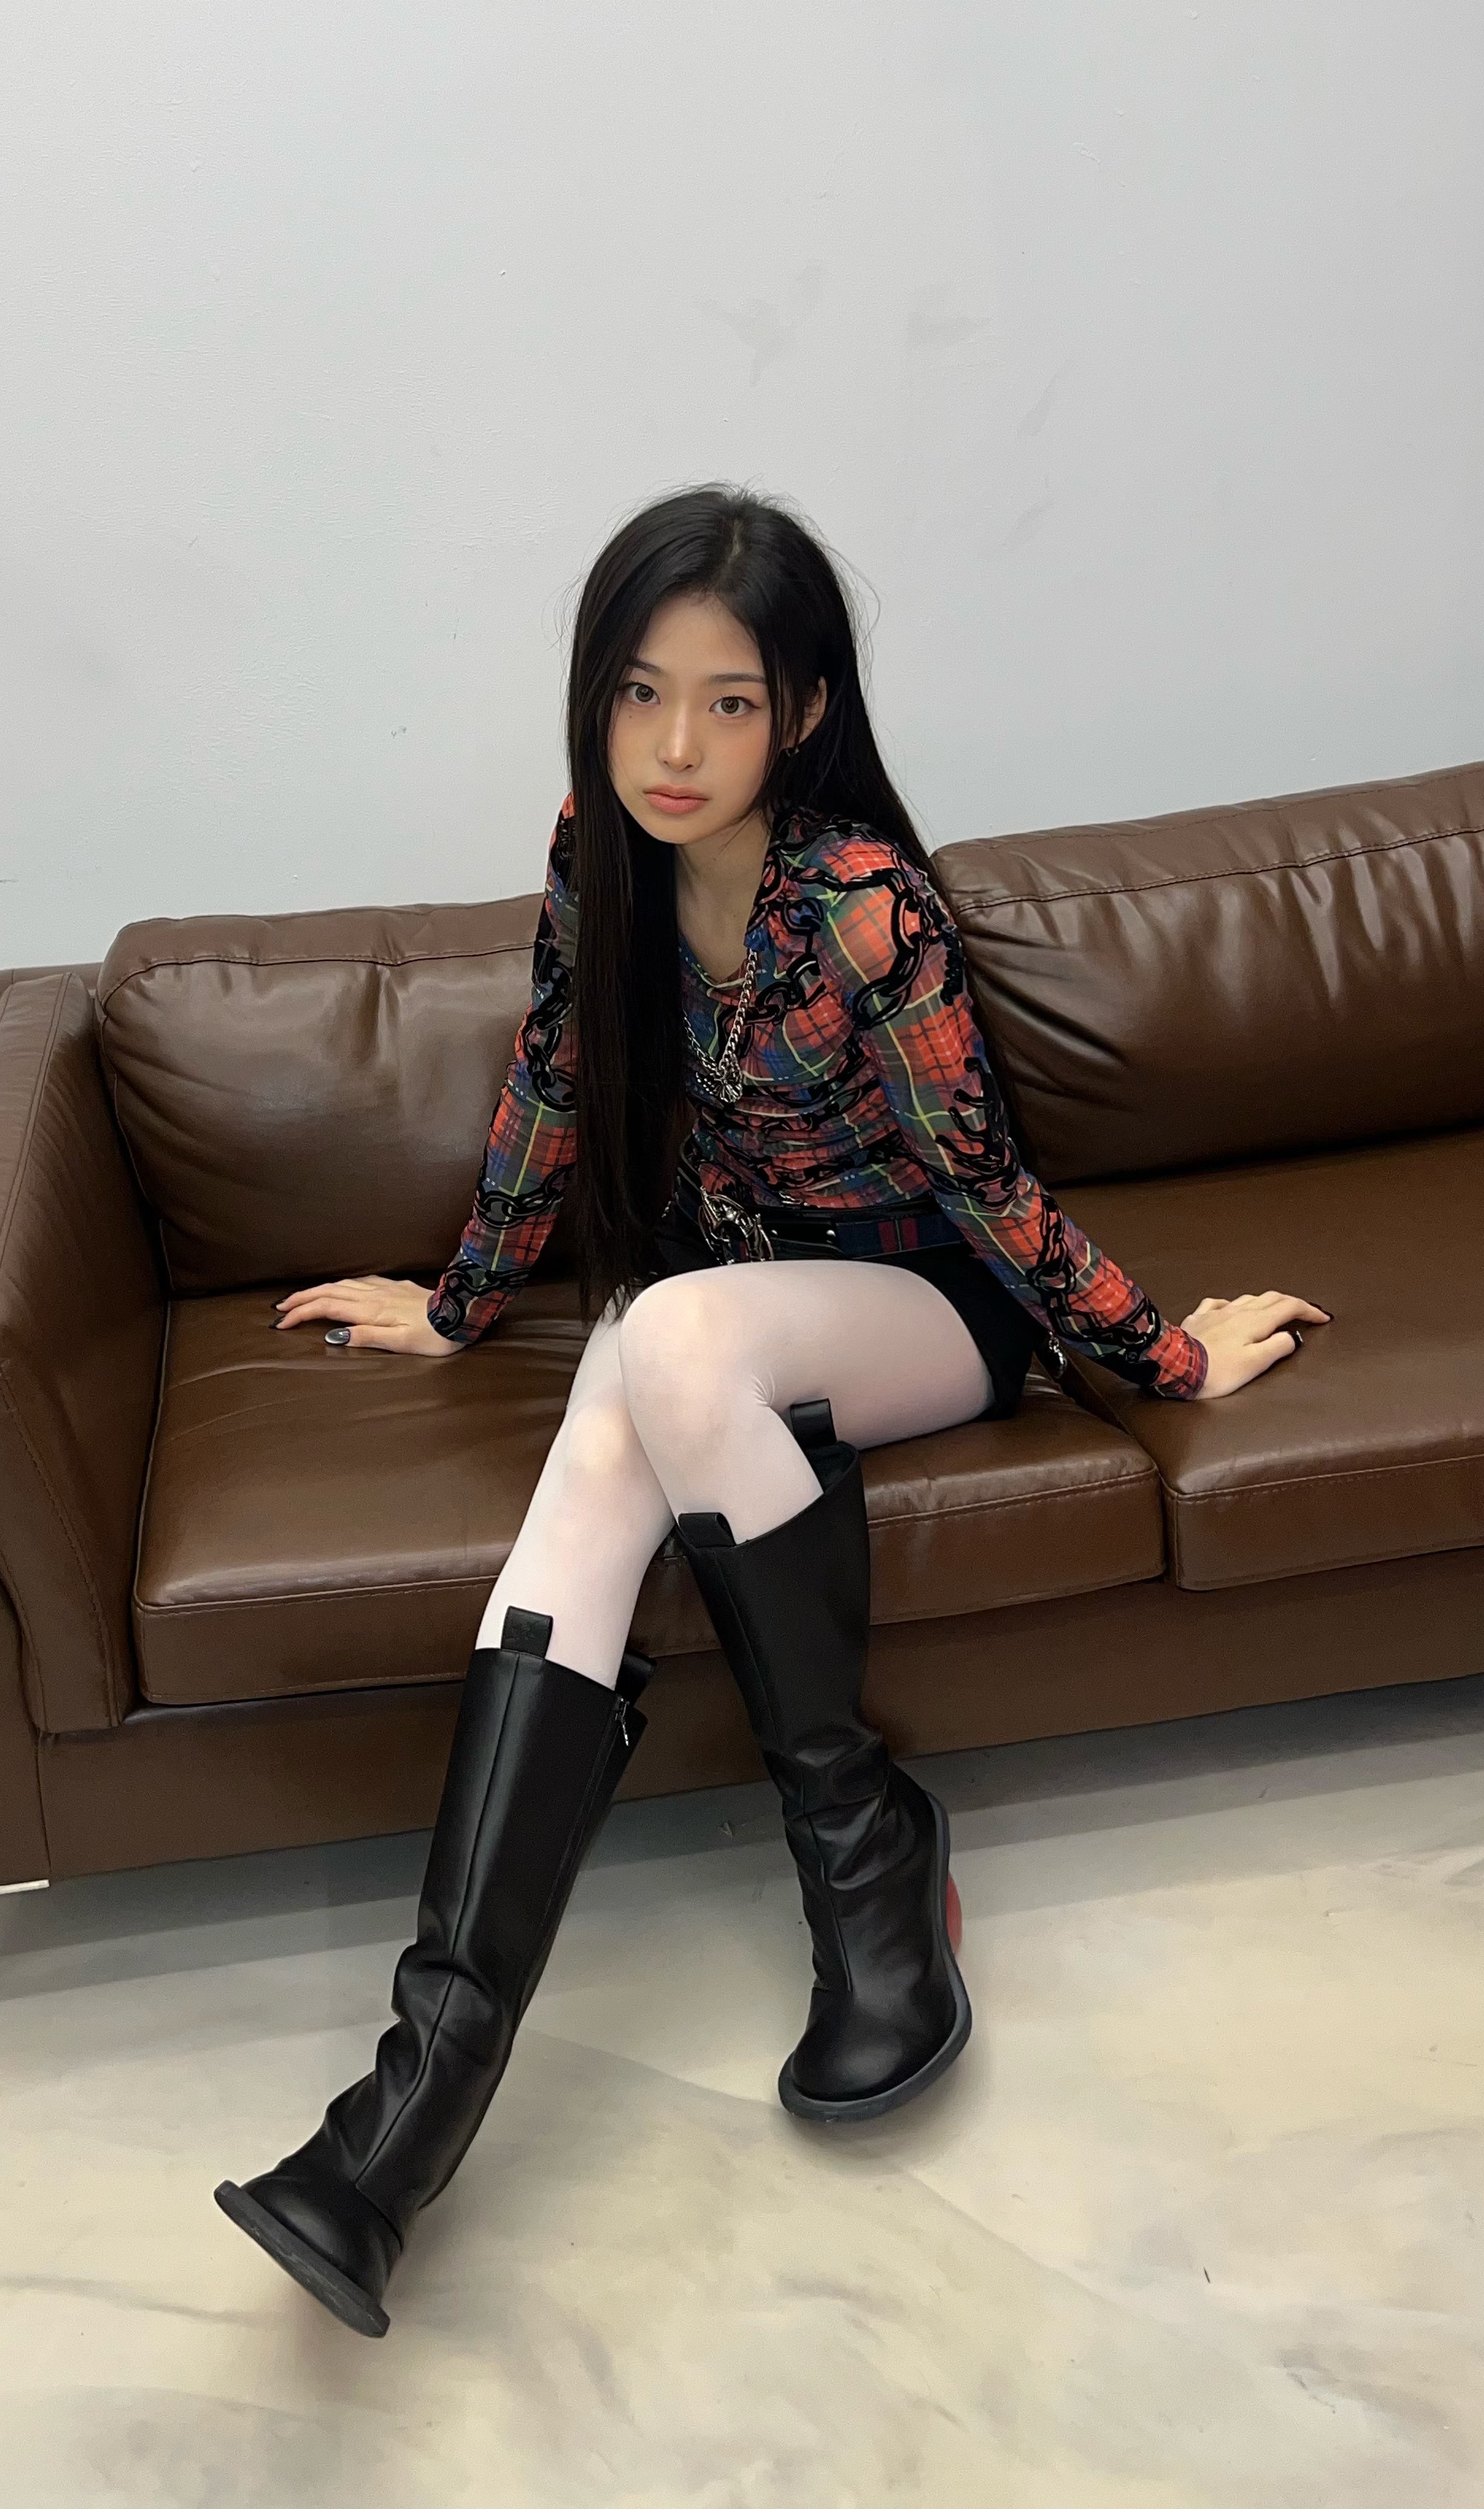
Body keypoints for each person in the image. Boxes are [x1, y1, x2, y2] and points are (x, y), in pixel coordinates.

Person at [214, 486, 1328, 2335]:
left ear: (800, 712)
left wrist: (1169, 1358)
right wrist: (463, 1298)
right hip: (728, 1322)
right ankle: (400, 2124)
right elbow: (555, 1075)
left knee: (662, 1342)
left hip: (930, 1315)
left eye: (727, 703)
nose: (674, 747)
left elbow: (985, 1183)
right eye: (640, 694)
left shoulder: (862, 906)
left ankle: (863, 1860)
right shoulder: (598, 853)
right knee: (631, 1386)